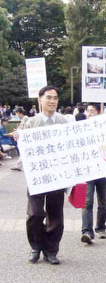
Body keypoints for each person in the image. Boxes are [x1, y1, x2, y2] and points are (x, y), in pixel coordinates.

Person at [16, 86, 68, 265]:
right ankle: (36, 246)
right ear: (40, 100)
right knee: (35, 213)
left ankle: (51, 250)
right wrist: (18, 138)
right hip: (37, 175)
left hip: (57, 175)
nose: (52, 101)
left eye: (55, 98)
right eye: (48, 98)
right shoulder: (31, 122)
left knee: (56, 214)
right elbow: (21, 142)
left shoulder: (64, 121)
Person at [81, 103, 106, 244]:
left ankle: (100, 227)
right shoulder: (81, 129)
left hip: (103, 170)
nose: (89, 113)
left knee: (103, 202)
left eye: (92, 111)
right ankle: (87, 231)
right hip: (87, 170)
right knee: (87, 202)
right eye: (88, 111)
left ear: (99, 112)